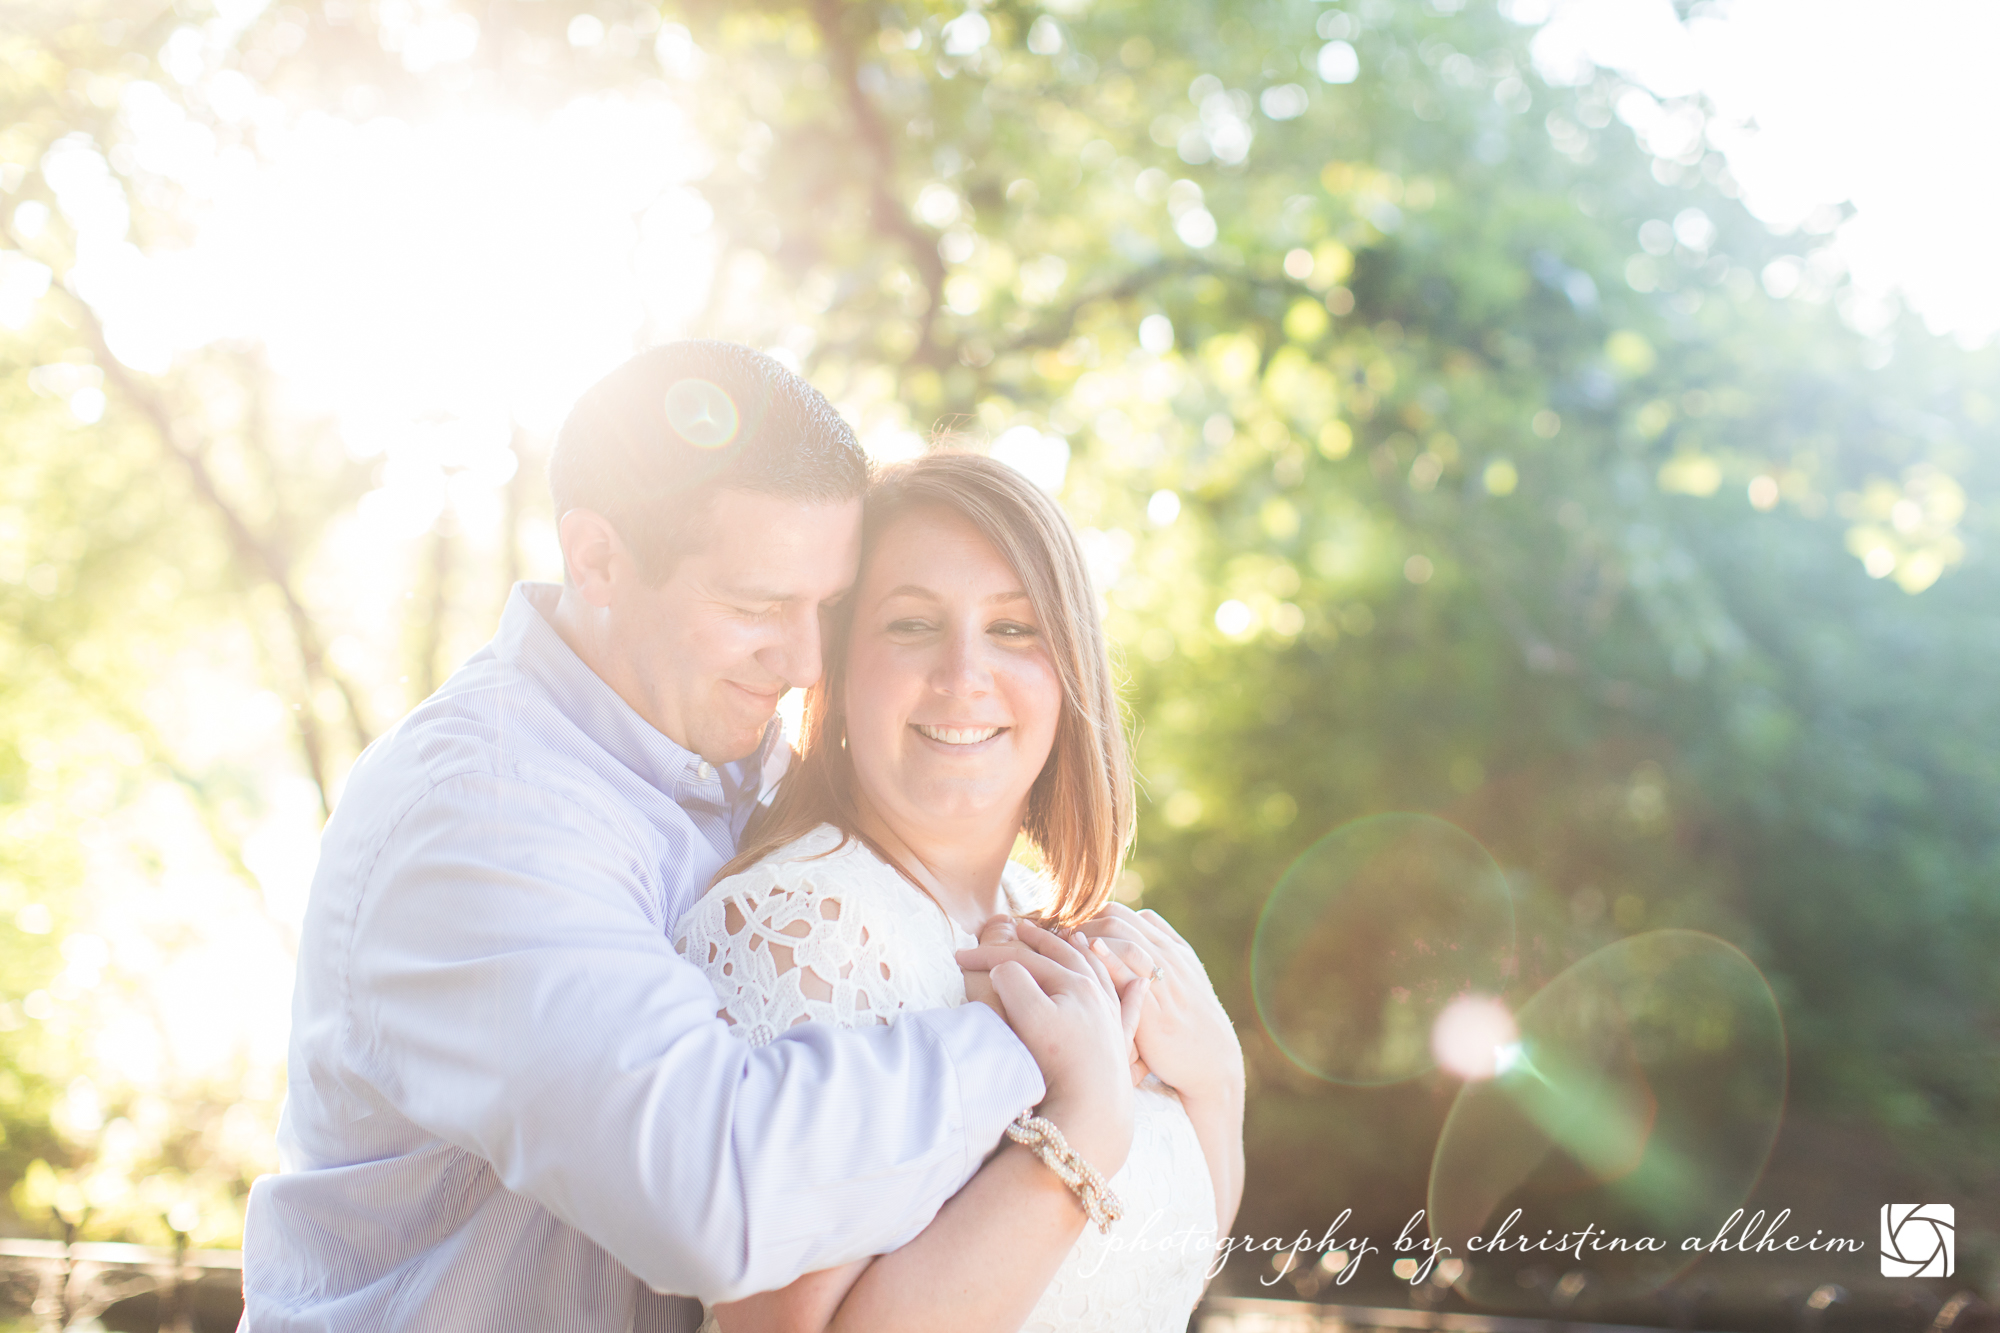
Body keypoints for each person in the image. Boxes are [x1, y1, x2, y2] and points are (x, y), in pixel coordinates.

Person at [240, 343, 1137, 1331]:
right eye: (756, 606)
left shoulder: (740, 761)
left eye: (827, 609)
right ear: (598, 560)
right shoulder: (478, 814)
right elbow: (713, 1191)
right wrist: (1034, 1038)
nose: (803, 662)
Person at [675, 453, 1247, 1333]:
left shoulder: (1070, 928)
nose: (963, 672)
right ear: (836, 666)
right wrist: (1083, 1123)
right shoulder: (794, 926)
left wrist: (1217, 1081)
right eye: (911, 623)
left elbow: (1163, 1264)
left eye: (1014, 629)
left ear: (1071, 674)